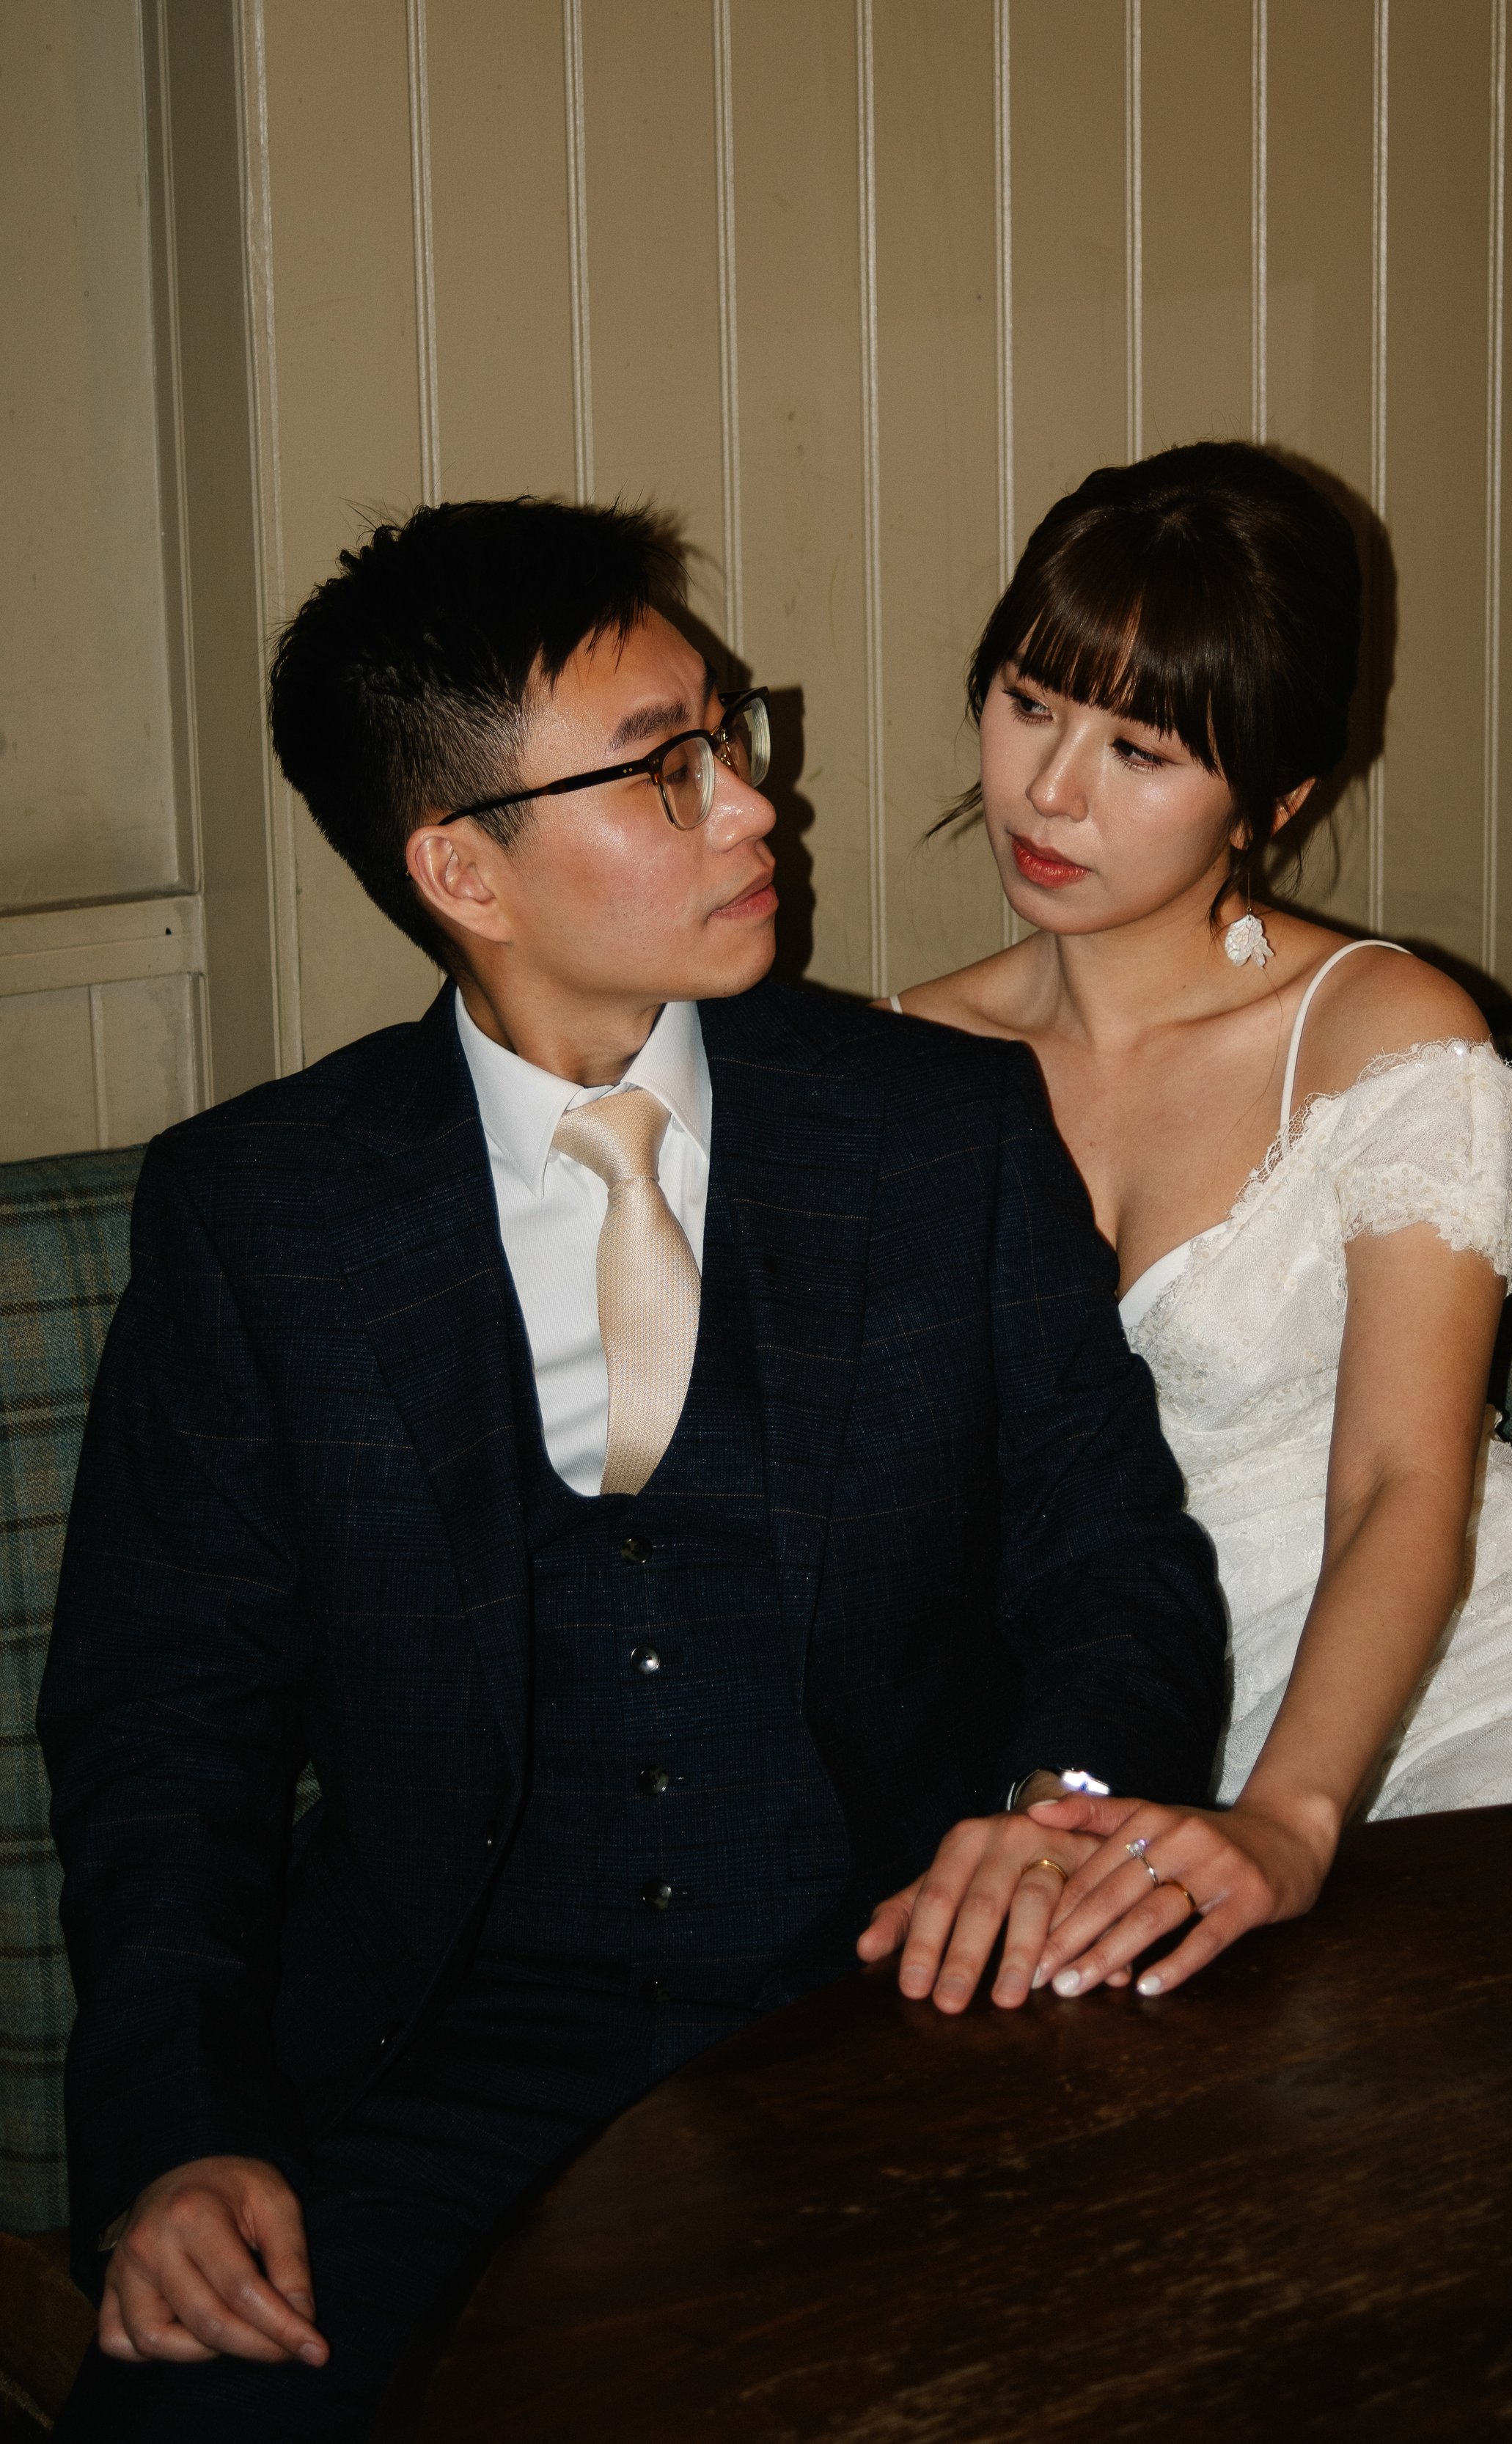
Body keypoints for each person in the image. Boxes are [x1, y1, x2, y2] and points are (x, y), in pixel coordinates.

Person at [38, 497, 1227, 2438]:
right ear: (461, 866)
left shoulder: (935, 1128)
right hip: (435, 2071)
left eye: (730, 734)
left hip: (901, 2014)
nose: (754, 805)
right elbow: (166, 1723)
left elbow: (1109, 1551)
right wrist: (181, 2137)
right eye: (668, 770)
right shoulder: (262, 1213)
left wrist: (1064, 1802)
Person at [881, 441, 1512, 2008]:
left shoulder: (1384, 1032)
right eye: (1029, 703)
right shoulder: (894, 1067)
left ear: (1276, 797)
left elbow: (1402, 1474)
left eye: (1140, 749)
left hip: (1471, 1678)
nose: (1050, 790)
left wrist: (1291, 1813)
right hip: (1111, 1723)